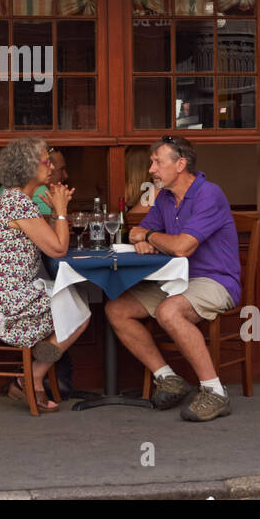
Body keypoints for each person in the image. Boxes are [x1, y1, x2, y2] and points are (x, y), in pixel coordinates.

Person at [106, 136, 240, 422]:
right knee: (117, 309)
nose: (151, 169)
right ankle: (168, 379)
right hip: (177, 281)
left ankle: (215, 393)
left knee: (169, 311)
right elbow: (136, 230)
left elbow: (181, 246)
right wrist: (143, 236)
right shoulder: (165, 197)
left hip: (217, 281)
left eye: (157, 162)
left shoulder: (209, 194)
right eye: (152, 162)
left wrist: (152, 237)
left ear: (180, 165)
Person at [0, 138, 88, 411]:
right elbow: (58, 249)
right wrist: (63, 212)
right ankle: (31, 376)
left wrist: (56, 213)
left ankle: (31, 375)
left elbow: (51, 241)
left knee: (74, 305)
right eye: (46, 161)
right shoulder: (18, 203)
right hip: (1, 301)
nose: (51, 166)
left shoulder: (17, 200)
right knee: (78, 312)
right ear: (28, 167)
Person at [0, 148, 66, 216]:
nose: (52, 167)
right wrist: (61, 211)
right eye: (47, 163)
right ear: (32, 167)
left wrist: (56, 212)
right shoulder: (19, 201)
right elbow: (54, 240)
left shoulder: (13, 193)